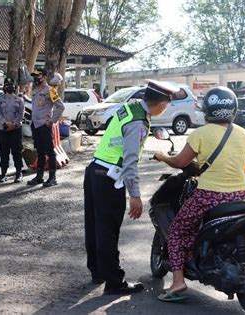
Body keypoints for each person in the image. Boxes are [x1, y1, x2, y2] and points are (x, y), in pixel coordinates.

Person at [154, 86, 245, 302]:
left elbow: (180, 162)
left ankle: (177, 282)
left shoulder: (201, 133)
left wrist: (163, 156)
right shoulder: (242, 133)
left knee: (176, 231)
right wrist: (230, 169)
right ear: (234, 109)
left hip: (209, 196)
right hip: (239, 197)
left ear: (207, 109)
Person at [84, 80, 180, 295]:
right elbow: (129, 161)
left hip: (95, 170)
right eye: (167, 104)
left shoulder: (131, 106)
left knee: (95, 226)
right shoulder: (139, 122)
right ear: (163, 104)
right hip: (110, 177)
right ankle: (114, 282)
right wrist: (135, 195)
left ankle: (98, 271)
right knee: (108, 230)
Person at [27, 68, 65, 187]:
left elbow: (60, 107)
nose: (36, 78)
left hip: (44, 126)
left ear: (44, 77)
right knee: (40, 151)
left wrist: (52, 121)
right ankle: (39, 176)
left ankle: (52, 178)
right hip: (35, 125)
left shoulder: (51, 90)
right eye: (34, 76)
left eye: (38, 76)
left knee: (50, 151)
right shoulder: (36, 90)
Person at [0, 77, 25, 183]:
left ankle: (18, 173)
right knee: (3, 151)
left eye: (12, 85)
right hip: (3, 129)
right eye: (8, 85)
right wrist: (5, 123)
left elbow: (21, 113)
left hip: (16, 129)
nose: (10, 87)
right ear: (4, 87)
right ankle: (3, 174)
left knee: (17, 151)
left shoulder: (19, 100)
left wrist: (14, 123)